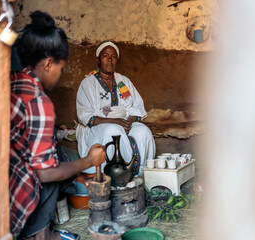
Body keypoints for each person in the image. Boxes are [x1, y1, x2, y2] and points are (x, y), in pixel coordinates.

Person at [9, 11, 105, 240]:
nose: (61, 76)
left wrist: (77, 173)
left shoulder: (13, 80)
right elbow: (46, 173)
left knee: (61, 154)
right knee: (56, 171)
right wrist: (89, 161)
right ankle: (40, 234)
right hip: (17, 191)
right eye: (61, 70)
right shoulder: (39, 101)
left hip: (1, 178)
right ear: (49, 63)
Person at [76, 41, 155, 176]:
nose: (109, 60)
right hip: (99, 126)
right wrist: (116, 122)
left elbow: (137, 107)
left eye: (113, 57)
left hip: (124, 122)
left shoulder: (124, 81)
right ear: (98, 60)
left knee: (143, 131)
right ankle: (116, 175)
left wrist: (128, 122)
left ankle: (139, 174)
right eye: (105, 56)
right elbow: (86, 117)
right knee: (113, 130)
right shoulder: (87, 83)